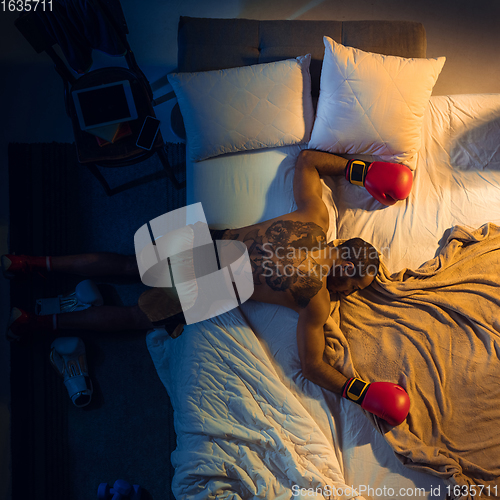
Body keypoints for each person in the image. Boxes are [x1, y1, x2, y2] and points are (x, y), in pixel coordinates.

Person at [3, 151, 412, 423]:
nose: (347, 292)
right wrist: (360, 392)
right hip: (211, 285)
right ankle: (35, 324)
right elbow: (312, 367)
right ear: (345, 274)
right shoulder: (318, 302)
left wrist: (365, 171)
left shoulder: (315, 216)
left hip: (212, 241)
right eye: (352, 286)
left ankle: (27, 262)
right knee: (132, 315)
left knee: (128, 265)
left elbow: (307, 160)